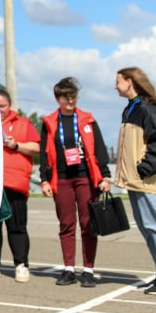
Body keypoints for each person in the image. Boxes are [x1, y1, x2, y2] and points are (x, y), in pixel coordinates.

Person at [114, 67, 156, 296]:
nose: (115, 86)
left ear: (130, 82)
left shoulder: (146, 109)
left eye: (118, 81)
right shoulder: (131, 108)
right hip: (135, 181)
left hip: (146, 180)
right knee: (148, 229)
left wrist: (144, 168)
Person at [40, 77, 111, 287]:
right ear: (58, 98)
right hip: (61, 178)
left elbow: (99, 148)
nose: (70, 100)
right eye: (66, 96)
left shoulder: (87, 119)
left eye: (73, 96)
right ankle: (69, 268)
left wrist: (105, 176)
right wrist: (44, 180)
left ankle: (88, 269)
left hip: (85, 178)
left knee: (89, 224)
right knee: (66, 225)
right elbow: (44, 153)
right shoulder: (49, 122)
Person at [0, 89, 40, 283]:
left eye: (3, 106)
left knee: (17, 227)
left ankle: (21, 265)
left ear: (10, 106)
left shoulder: (23, 123)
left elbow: (36, 147)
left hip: (15, 183)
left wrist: (16, 145)